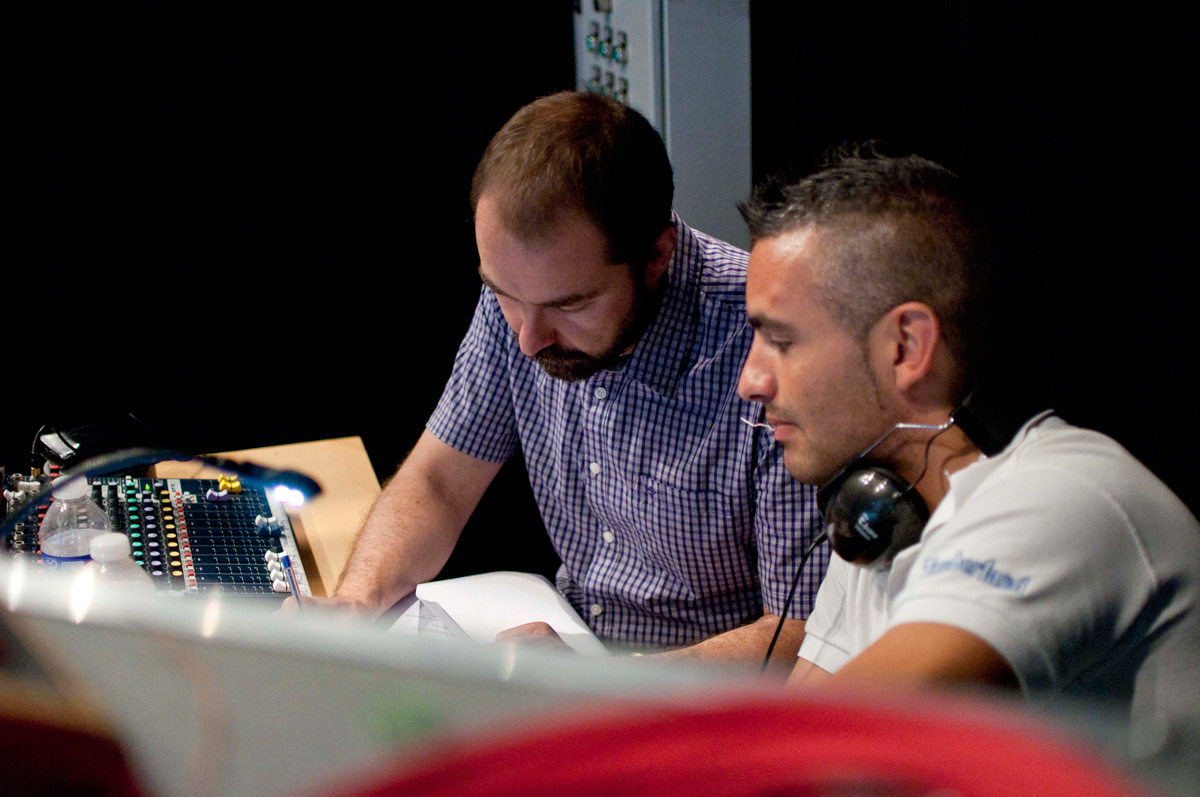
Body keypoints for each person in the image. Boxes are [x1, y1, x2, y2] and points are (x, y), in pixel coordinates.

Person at [320, 91, 824, 665]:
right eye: (503, 294)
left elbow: (800, 632)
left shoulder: (770, 346)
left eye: (570, 305)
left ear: (657, 257)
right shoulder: (528, 296)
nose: (528, 339)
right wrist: (355, 603)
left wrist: (609, 685)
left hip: (695, 694)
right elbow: (439, 482)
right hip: (572, 642)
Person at [736, 148, 1200, 721]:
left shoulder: (1059, 498)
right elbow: (791, 739)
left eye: (781, 341)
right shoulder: (878, 515)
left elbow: (828, 742)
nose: (750, 381)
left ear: (906, 347)